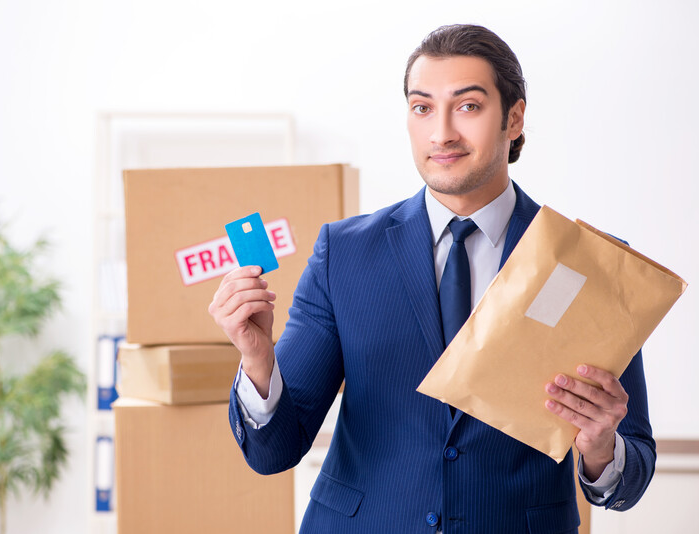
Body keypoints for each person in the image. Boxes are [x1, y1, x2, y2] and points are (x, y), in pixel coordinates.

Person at [208, 24, 655, 533]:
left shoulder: (586, 265)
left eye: (467, 106)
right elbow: (275, 452)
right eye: (422, 108)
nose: (441, 133)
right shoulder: (344, 253)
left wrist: (601, 448)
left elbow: (630, 476)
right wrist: (258, 358)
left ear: (514, 117)